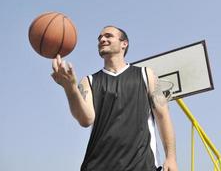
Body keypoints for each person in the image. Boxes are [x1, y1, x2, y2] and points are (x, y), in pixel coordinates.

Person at [51, 26, 178, 171]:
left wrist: (171, 157)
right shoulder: (89, 81)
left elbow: (163, 116)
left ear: (124, 43)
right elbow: (86, 120)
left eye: (108, 36)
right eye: (99, 38)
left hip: (141, 165)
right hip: (98, 166)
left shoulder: (145, 75)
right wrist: (70, 88)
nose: (102, 40)